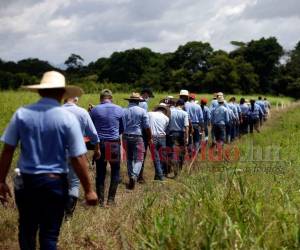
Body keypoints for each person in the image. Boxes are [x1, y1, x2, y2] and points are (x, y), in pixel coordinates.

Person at [0, 71, 97, 250]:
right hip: (54, 182)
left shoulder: (21, 114)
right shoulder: (67, 118)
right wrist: (89, 190)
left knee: (27, 229)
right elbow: (77, 157)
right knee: (49, 234)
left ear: (39, 92)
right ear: (62, 93)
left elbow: (7, 150)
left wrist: (1, 181)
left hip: (25, 181)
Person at [63, 96, 100, 216]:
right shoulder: (82, 112)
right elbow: (93, 134)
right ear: (76, 100)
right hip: (77, 151)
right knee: (74, 182)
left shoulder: (55, 112)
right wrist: (97, 148)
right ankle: (68, 214)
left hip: (57, 152)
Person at [90, 89, 125, 206]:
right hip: (113, 143)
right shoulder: (119, 109)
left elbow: (91, 128)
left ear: (101, 99)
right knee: (115, 170)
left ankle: (100, 201)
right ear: (111, 98)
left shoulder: (94, 110)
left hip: (100, 144)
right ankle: (111, 200)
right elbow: (122, 128)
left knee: (100, 171)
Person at [123, 93, 152, 190]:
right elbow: (147, 127)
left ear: (130, 101)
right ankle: (134, 176)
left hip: (126, 136)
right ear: (138, 102)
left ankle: (131, 175)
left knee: (129, 158)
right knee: (139, 159)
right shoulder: (142, 111)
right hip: (137, 136)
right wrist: (149, 137)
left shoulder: (124, 111)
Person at [148, 105, 170, 181]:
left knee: (156, 158)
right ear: (164, 110)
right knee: (162, 157)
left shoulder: (150, 114)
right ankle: (158, 175)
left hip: (153, 137)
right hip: (162, 137)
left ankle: (160, 176)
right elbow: (165, 128)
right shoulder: (166, 118)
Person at [168, 99, 189, 176]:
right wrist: (187, 138)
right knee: (182, 152)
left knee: (173, 151)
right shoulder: (184, 113)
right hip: (181, 133)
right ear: (182, 105)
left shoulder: (170, 111)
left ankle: (174, 163)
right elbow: (186, 127)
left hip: (171, 133)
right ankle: (179, 168)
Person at [138, 88, 154, 183]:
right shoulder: (143, 103)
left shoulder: (134, 102)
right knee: (142, 154)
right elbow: (144, 119)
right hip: (141, 131)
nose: (148, 98)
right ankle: (139, 176)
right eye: (148, 96)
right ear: (145, 94)